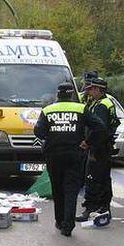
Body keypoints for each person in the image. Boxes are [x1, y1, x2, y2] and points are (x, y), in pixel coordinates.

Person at [34, 83, 106, 236]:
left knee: (58, 189)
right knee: (71, 189)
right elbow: (100, 127)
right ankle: (68, 225)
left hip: (54, 156)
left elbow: (39, 132)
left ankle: (60, 221)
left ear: (58, 94)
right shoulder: (80, 109)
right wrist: (87, 142)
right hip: (75, 155)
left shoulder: (48, 110)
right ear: (72, 94)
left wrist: (52, 134)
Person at [76, 78, 120, 222]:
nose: (88, 91)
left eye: (90, 89)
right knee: (103, 178)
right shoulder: (105, 102)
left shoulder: (101, 106)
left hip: (98, 147)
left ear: (97, 89)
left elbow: (99, 129)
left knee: (92, 178)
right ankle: (104, 207)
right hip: (104, 146)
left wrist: (88, 143)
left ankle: (90, 208)